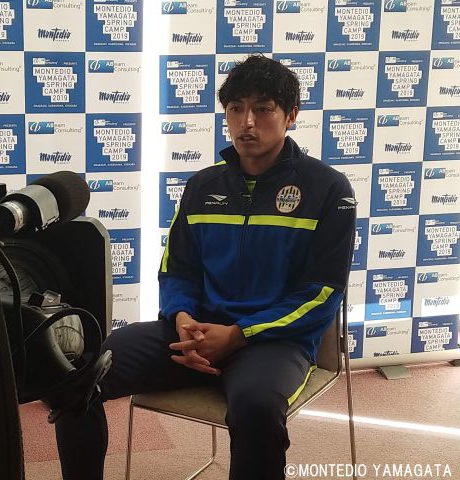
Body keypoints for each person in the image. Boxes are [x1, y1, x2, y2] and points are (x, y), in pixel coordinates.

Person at [55, 54, 356, 480]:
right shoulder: (202, 185)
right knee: (77, 376)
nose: (247, 122)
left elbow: (322, 293)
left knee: (257, 408)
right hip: (193, 333)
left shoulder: (329, 189)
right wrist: (182, 319)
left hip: (273, 342)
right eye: (236, 108)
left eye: (263, 109)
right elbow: (177, 270)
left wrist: (238, 334)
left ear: (291, 115)